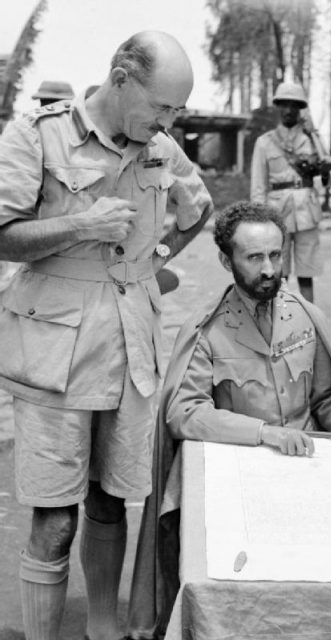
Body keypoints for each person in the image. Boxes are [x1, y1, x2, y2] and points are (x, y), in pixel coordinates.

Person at [0, 31, 213, 640]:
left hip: (130, 347)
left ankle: (103, 631)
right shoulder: (36, 136)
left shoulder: (161, 148)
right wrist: (80, 225)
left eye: (177, 110)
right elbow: (2, 233)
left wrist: (155, 260)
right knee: (53, 517)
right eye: (161, 107)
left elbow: (198, 210)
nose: (168, 121)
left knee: (111, 500)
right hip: (55, 351)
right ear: (120, 79)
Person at [126, 200, 331, 638]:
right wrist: (263, 434)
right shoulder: (207, 330)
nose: (269, 268)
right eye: (254, 257)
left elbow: (328, 399)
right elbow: (184, 414)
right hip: (234, 482)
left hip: (304, 471)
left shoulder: (307, 318)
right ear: (226, 260)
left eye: (276, 255)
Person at [251, 82, 331, 303]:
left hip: (307, 211)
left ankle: (309, 318)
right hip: (277, 214)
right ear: (278, 108)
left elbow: (328, 177)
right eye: (284, 105)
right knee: (280, 272)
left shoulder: (312, 140)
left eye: (294, 105)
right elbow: (258, 186)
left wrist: (324, 171)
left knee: (307, 273)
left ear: (301, 109)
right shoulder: (265, 142)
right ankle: (281, 318)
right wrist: (259, 221)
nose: (289, 110)